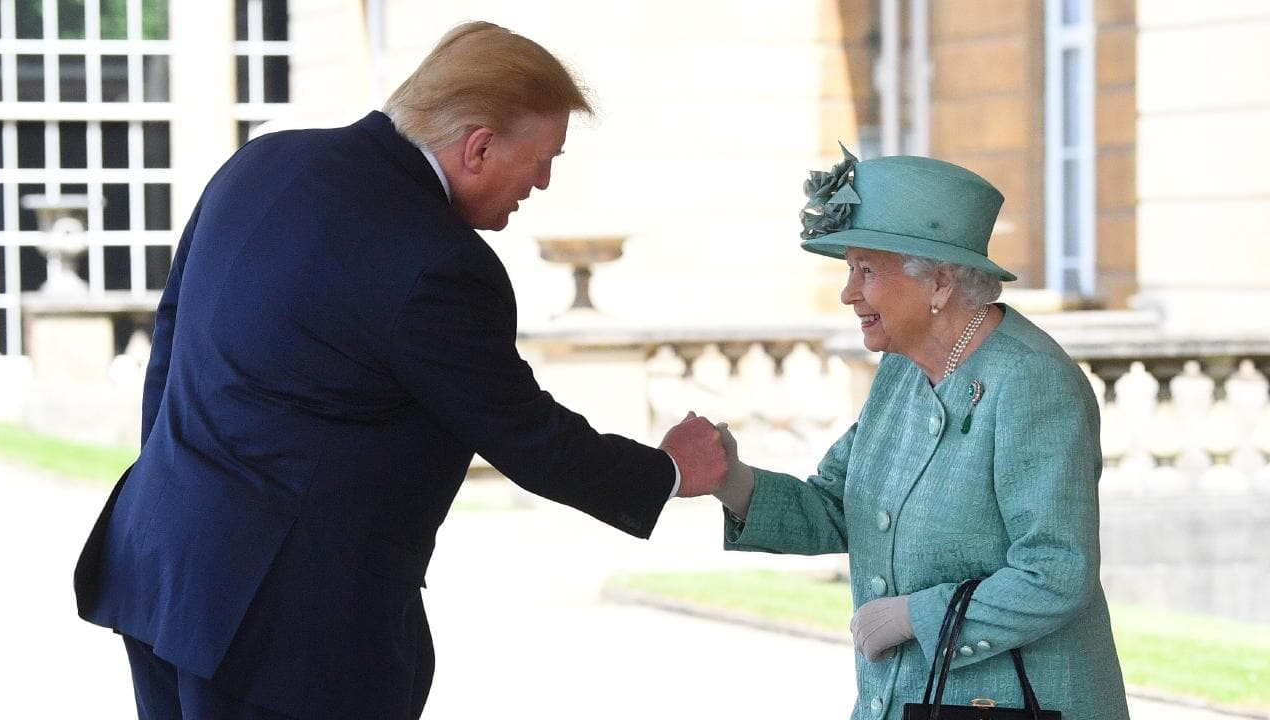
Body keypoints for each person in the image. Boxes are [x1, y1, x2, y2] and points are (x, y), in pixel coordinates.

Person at [73, 21, 727, 720]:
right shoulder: (441, 262)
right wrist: (668, 473)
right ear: (477, 146)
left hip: (160, 566)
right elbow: (525, 435)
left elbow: (169, 350)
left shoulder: (261, 163)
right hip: (285, 638)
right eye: (543, 160)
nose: (542, 182)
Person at [707, 150, 1130, 718]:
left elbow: (1055, 573)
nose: (848, 293)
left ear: (937, 281)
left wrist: (914, 617)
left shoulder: (1031, 384)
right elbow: (839, 502)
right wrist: (729, 481)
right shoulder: (904, 370)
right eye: (849, 269)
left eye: (867, 271)